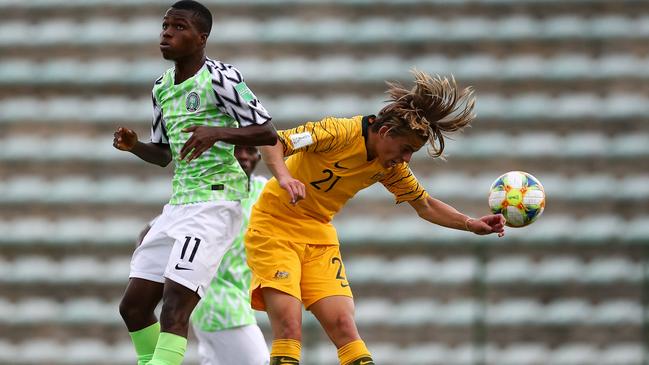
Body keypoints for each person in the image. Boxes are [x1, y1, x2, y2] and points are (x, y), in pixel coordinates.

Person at [245, 71, 506, 365]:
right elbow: (273, 142)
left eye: (412, 153)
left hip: (318, 234)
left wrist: (471, 224)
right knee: (290, 329)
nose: (406, 159)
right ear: (384, 133)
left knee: (345, 327)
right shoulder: (338, 132)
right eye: (406, 149)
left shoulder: (389, 167)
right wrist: (283, 178)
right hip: (273, 227)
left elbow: (426, 205)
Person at [113, 1, 277, 365]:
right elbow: (163, 154)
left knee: (175, 308)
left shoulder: (220, 77)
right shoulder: (161, 88)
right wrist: (134, 145)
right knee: (133, 307)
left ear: (201, 38)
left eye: (179, 27)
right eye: (165, 26)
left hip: (216, 204)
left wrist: (215, 131)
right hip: (179, 205)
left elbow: (267, 131)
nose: (167, 33)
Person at [136, 146, 270, 365]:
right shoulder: (210, 190)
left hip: (230, 302)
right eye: (238, 150)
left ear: (259, 156)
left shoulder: (263, 191)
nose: (244, 156)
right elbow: (149, 233)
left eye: (251, 150)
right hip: (221, 305)